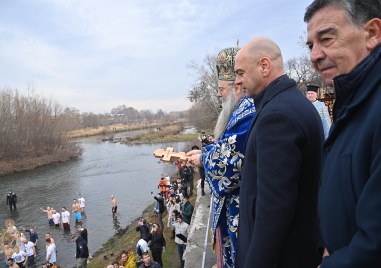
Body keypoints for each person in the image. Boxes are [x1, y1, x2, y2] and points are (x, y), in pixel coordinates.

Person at [234, 37, 323, 268]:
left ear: (264, 66)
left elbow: (274, 210)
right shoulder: (289, 102)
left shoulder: (277, 115)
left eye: (241, 73)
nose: (238, 81)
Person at [304, 0, 381, 267]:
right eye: (311, 45)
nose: (315, 55)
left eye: (326, 39)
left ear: (372, 33)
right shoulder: (351, 100)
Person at [187, 46, 255, 267]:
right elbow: (223, 146)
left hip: (241, 206)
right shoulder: (237, 111)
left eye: (220, 88)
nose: (218, 94)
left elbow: (233, 160)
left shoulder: (248, 111)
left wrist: (203, 159)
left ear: (237, 87)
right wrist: (205, 152)